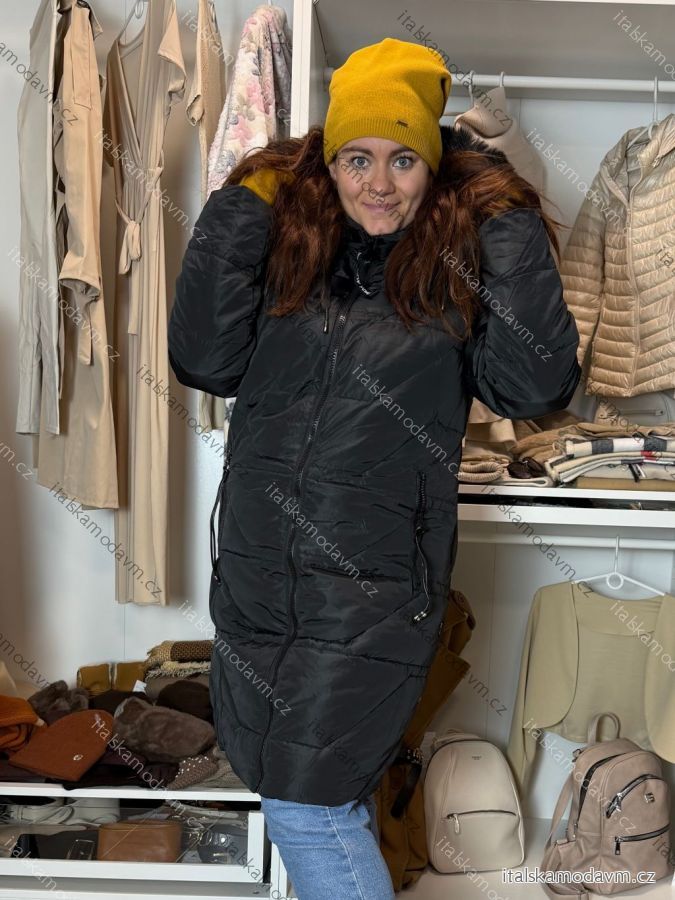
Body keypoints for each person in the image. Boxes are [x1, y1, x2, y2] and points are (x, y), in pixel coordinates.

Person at [168, 37, 581, 900]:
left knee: (310, 807)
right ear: (326, 164)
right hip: (256, 576)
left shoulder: (449, 271)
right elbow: (204, 359)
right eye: (355, 158)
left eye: (403, 159)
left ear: (435, 165)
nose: (378, 183)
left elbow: (533, 383)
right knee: (301, 792)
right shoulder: (293, 256)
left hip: (372, 588)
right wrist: (245, 198)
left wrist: (504, 213)